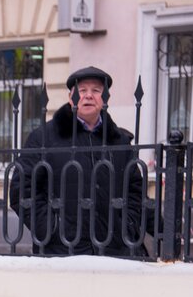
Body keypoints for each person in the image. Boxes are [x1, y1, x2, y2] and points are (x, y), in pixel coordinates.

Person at [9, 66, 152, 256]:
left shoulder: (119, 140)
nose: (88, 96)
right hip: (62, 252)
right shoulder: (44, 138)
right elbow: (23, 189)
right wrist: (50, 229)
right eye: (82, 91)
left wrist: (128, 226)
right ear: (71, 98)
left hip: (114, 252)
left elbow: (136, 192)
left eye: (96, 91)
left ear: (105, 98)